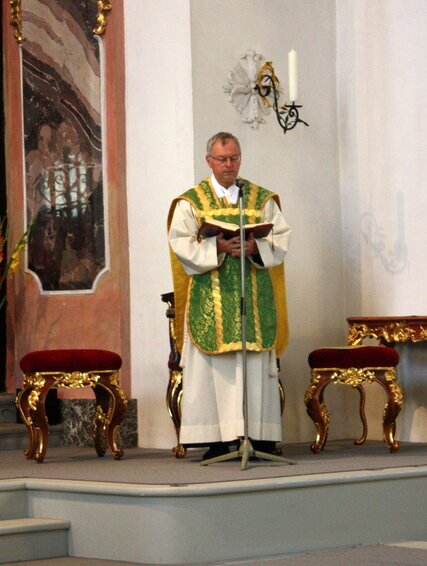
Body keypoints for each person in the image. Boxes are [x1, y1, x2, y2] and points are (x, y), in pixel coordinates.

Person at [167, 132, 291, 460]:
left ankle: (259, 437)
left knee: (254, 367)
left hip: (253, 297)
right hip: (212, 298)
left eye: (234, 158)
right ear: (208, 160)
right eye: (222, 159)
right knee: (215, 371)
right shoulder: (191, 202)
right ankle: (218, 440)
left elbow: (280, 238)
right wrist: (215, 247)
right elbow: (180, 243)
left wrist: (256, 247)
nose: (229, 165)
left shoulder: (261, 199)